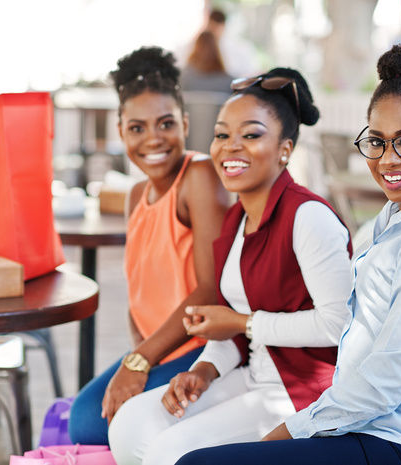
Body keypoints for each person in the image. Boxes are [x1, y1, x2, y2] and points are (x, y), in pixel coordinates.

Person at [174, 45, 401, 465]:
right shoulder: (399, 216)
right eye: (376, 142)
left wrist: (293, 429)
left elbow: (385, 383)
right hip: (366, 423)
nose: (388, 159)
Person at [107, 67, 354, 465]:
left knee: (171, 452)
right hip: (251, 376)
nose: (230, 147)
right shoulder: (236, 221)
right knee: (130, 425)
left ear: (285, 149)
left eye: (251, 135)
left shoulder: (308, 216)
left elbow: (339, 324)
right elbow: (231, 326)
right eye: (222, 135)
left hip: (302, 391)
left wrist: (245, 324)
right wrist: (203, 370)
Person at [68, 46, 230, 445]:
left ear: (185, 124)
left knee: (92, 422)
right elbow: (142, 287)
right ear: (120, 130)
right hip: (160, 350)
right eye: (137, 128)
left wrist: (140, 360)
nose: (153, 139)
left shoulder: (199, 175)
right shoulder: (135, 193)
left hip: (203, 350)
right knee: (86, 416)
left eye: (166, 124)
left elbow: (211, 289)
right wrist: (139, 355)